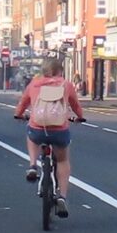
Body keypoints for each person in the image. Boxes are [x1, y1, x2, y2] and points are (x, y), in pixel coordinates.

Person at [15, 52, 84, 215]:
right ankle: (62, 197)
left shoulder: (34, 84)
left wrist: (18, 114)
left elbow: (23, 102)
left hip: (38, 128)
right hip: (59, 130)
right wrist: (80, 117)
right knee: (62, 160)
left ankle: (32, 165)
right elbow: (75, 105)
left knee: (31, 136)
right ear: (60, 71)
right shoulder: (66, 85)